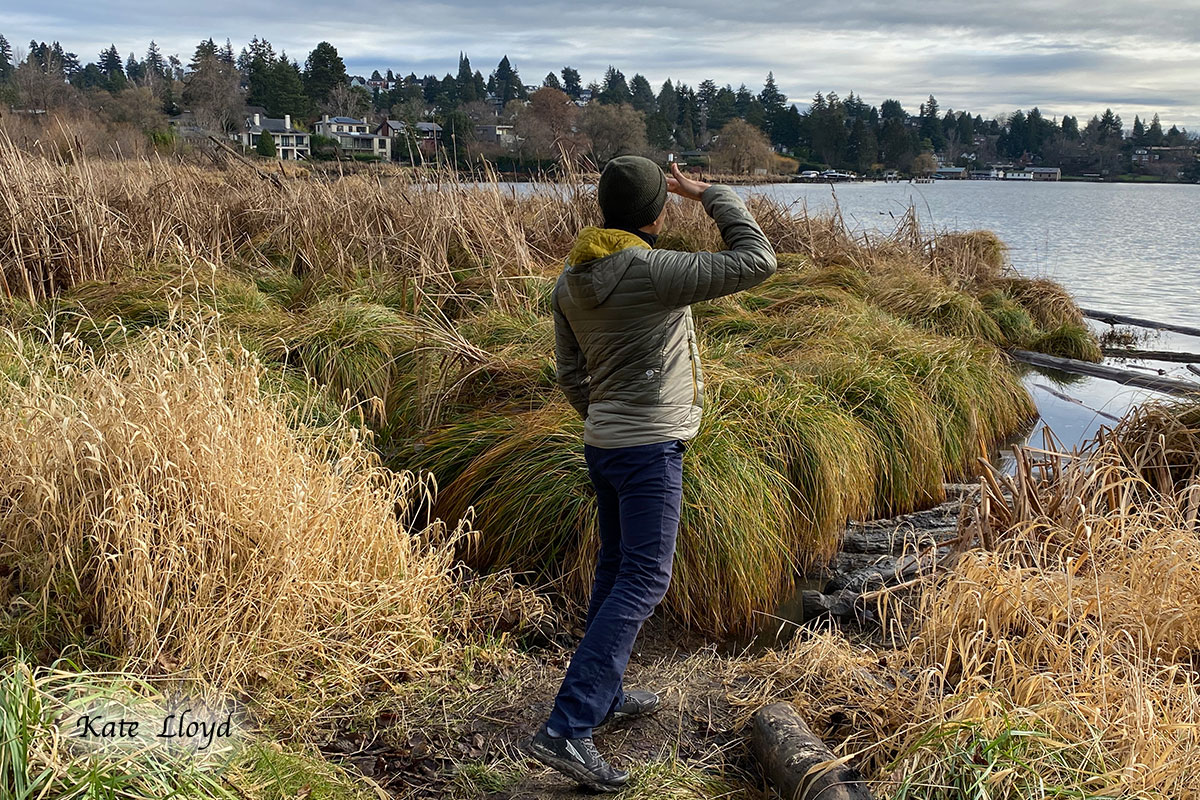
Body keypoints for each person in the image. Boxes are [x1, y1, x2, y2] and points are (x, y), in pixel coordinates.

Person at [525, 156, 777, 792]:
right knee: (644, 577)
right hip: (649, 448)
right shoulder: (652, 270)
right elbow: (757, 260)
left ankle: (600, 698)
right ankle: (567, 727)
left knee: (615, 570)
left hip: (604, 444)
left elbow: (569, 373)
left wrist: (605, 418)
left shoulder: (571, 278)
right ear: (655, 213)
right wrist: (710, 192)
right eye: (665, 202)